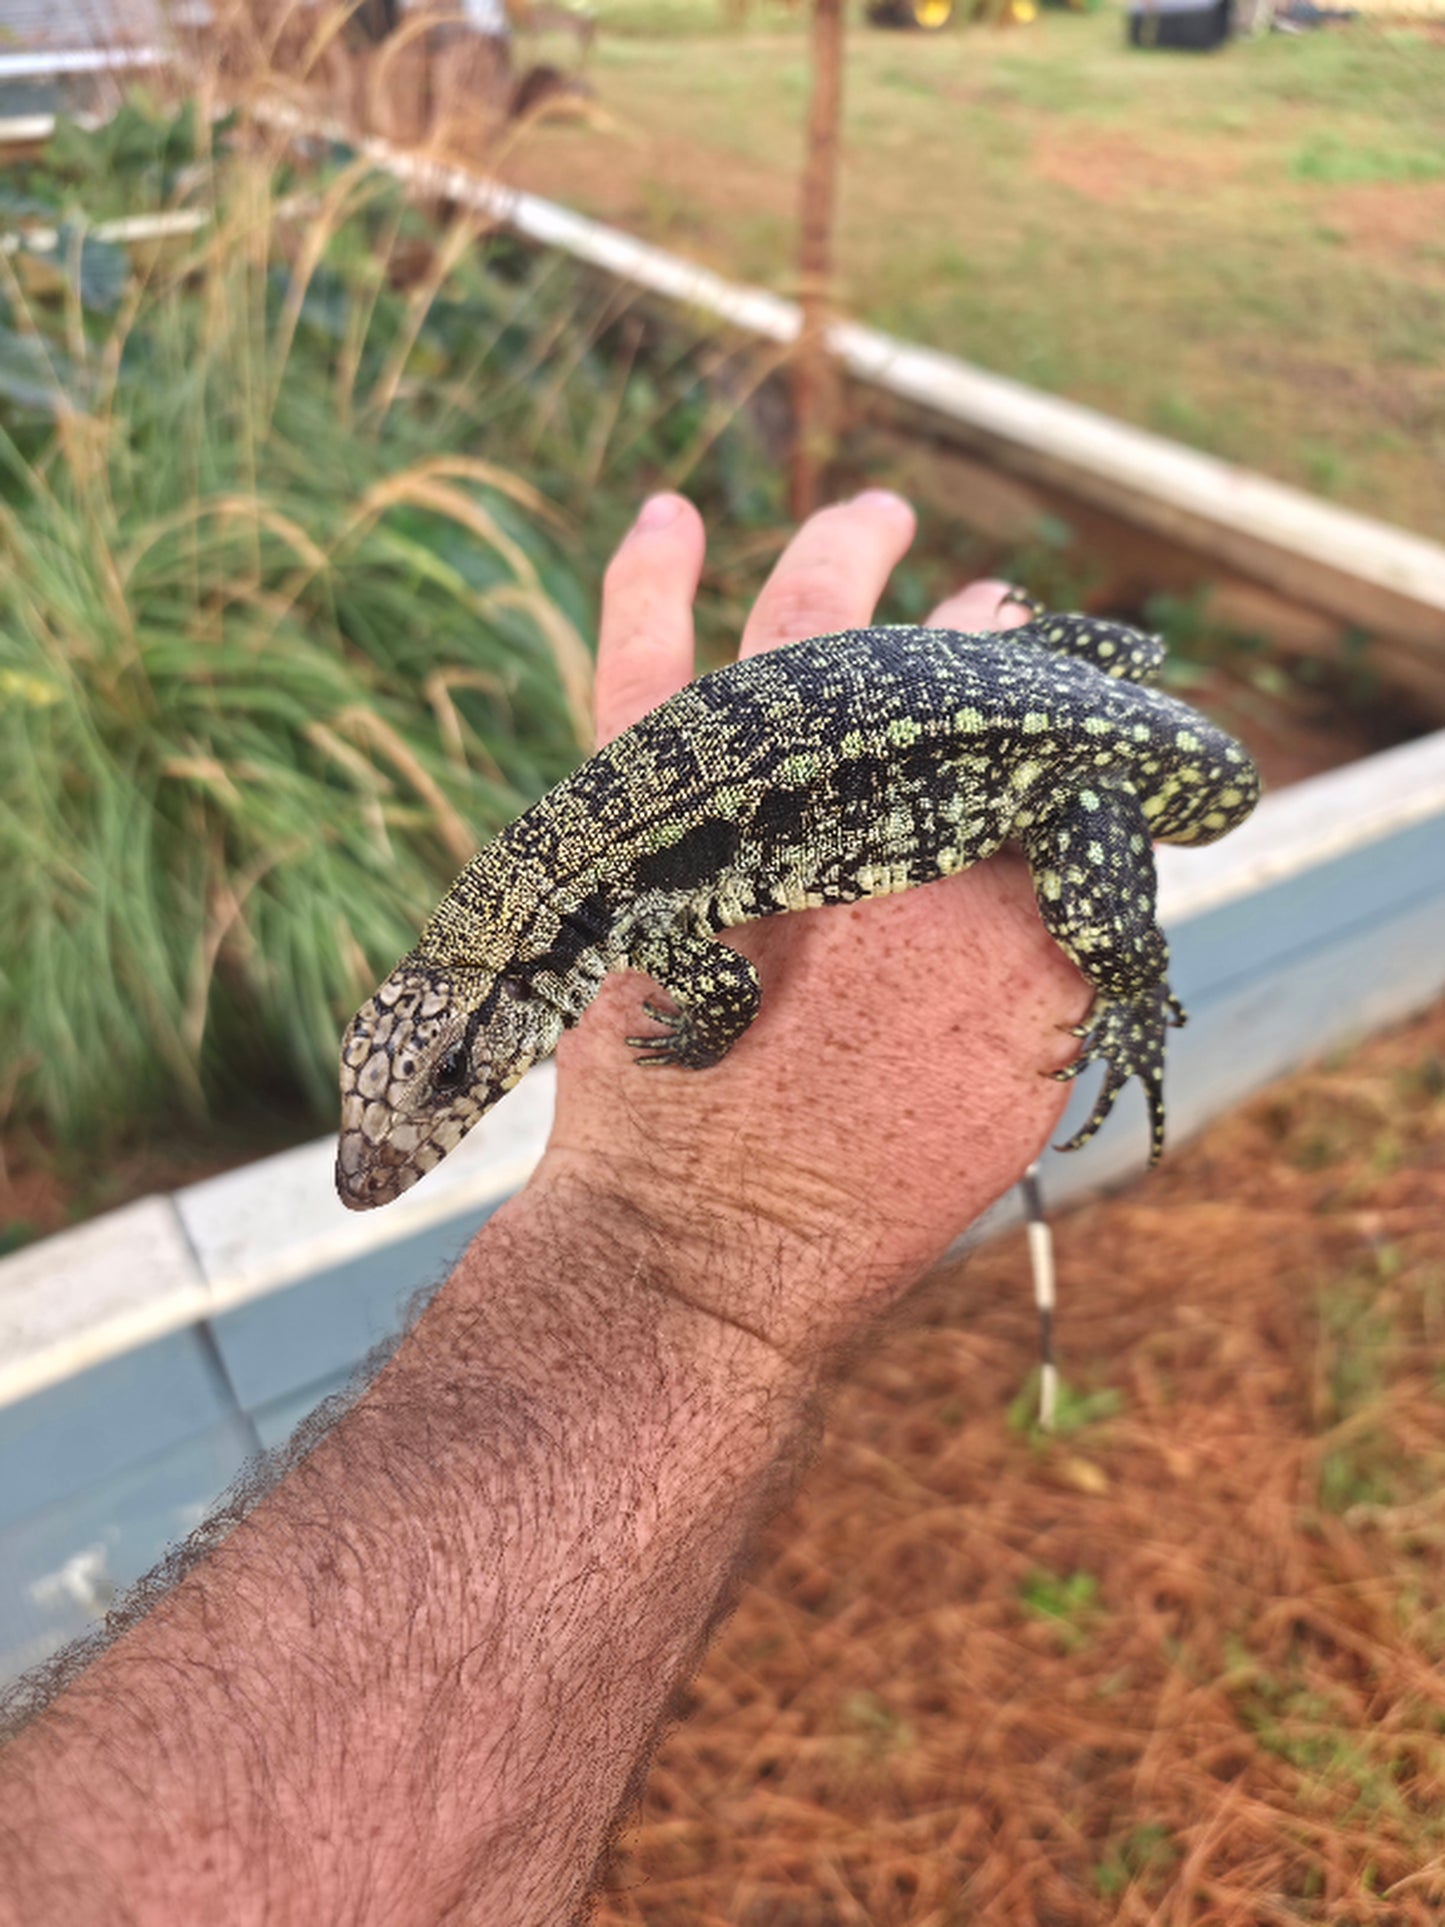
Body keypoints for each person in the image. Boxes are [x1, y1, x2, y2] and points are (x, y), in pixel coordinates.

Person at [0, 489, 1087, 1925]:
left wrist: (671, 1231)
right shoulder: (525, 922)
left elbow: (705, 971)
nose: (391, 1152)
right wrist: (669, 1243)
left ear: (498, 1015)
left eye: (444, 1091)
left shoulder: (565, 929)